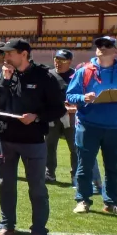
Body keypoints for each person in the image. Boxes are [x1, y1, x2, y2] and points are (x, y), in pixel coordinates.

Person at [0, 39, 67, 235]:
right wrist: (5, 81)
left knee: (37, 188)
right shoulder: (4, 75)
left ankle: (38, 232)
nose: (5, 57)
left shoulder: (44, 76)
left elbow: (58, 109)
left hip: (33, 140)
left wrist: (37, 117)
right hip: (5, 139)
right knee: (5, 185)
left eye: (10, 53)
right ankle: (7, 226)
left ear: (24, 54)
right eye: (4, 54)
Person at [67, 36, 117, 216]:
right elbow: (70, 96)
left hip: (115, 127)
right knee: (85, 165)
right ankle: (83, 200)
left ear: (116, 50)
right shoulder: (84, 71)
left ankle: (111, 202)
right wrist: (84, 98)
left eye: (107, 45)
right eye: (99, 45)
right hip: (88, 126)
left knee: (113, 167)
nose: (102, 47)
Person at [46, 49, 78, 184]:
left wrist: (75, 107)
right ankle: (49, 174)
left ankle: (76, 176)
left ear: (70, 61)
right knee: (49, 146)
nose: (58, 63)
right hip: (52, 115)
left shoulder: (76, 75)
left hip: (70, 116)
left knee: (75, 147)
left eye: (62, 60)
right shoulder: (48, 75)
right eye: (57, 59)